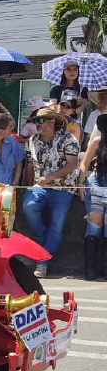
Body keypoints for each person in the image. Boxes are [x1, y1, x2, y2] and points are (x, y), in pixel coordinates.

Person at [22, 107, 80, 278]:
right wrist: (28, 185)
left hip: (63, 188)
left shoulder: (68, 139)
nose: (36, 124)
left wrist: (50, 178)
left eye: (40, 121)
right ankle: (42, 242)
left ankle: (42, 262)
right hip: (39, 187)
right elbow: (30, 165)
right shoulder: (32, 140)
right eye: (35, 121)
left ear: (52, 122)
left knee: (57, 225)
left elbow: (72, 165)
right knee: (28, 206)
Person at [78, 114, 107, 279]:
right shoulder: (97, 141)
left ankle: (103, 269)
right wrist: (80, 183)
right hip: (96, 183)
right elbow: (85, 162)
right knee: (94, 225)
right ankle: (90, 269)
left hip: (99, 183)